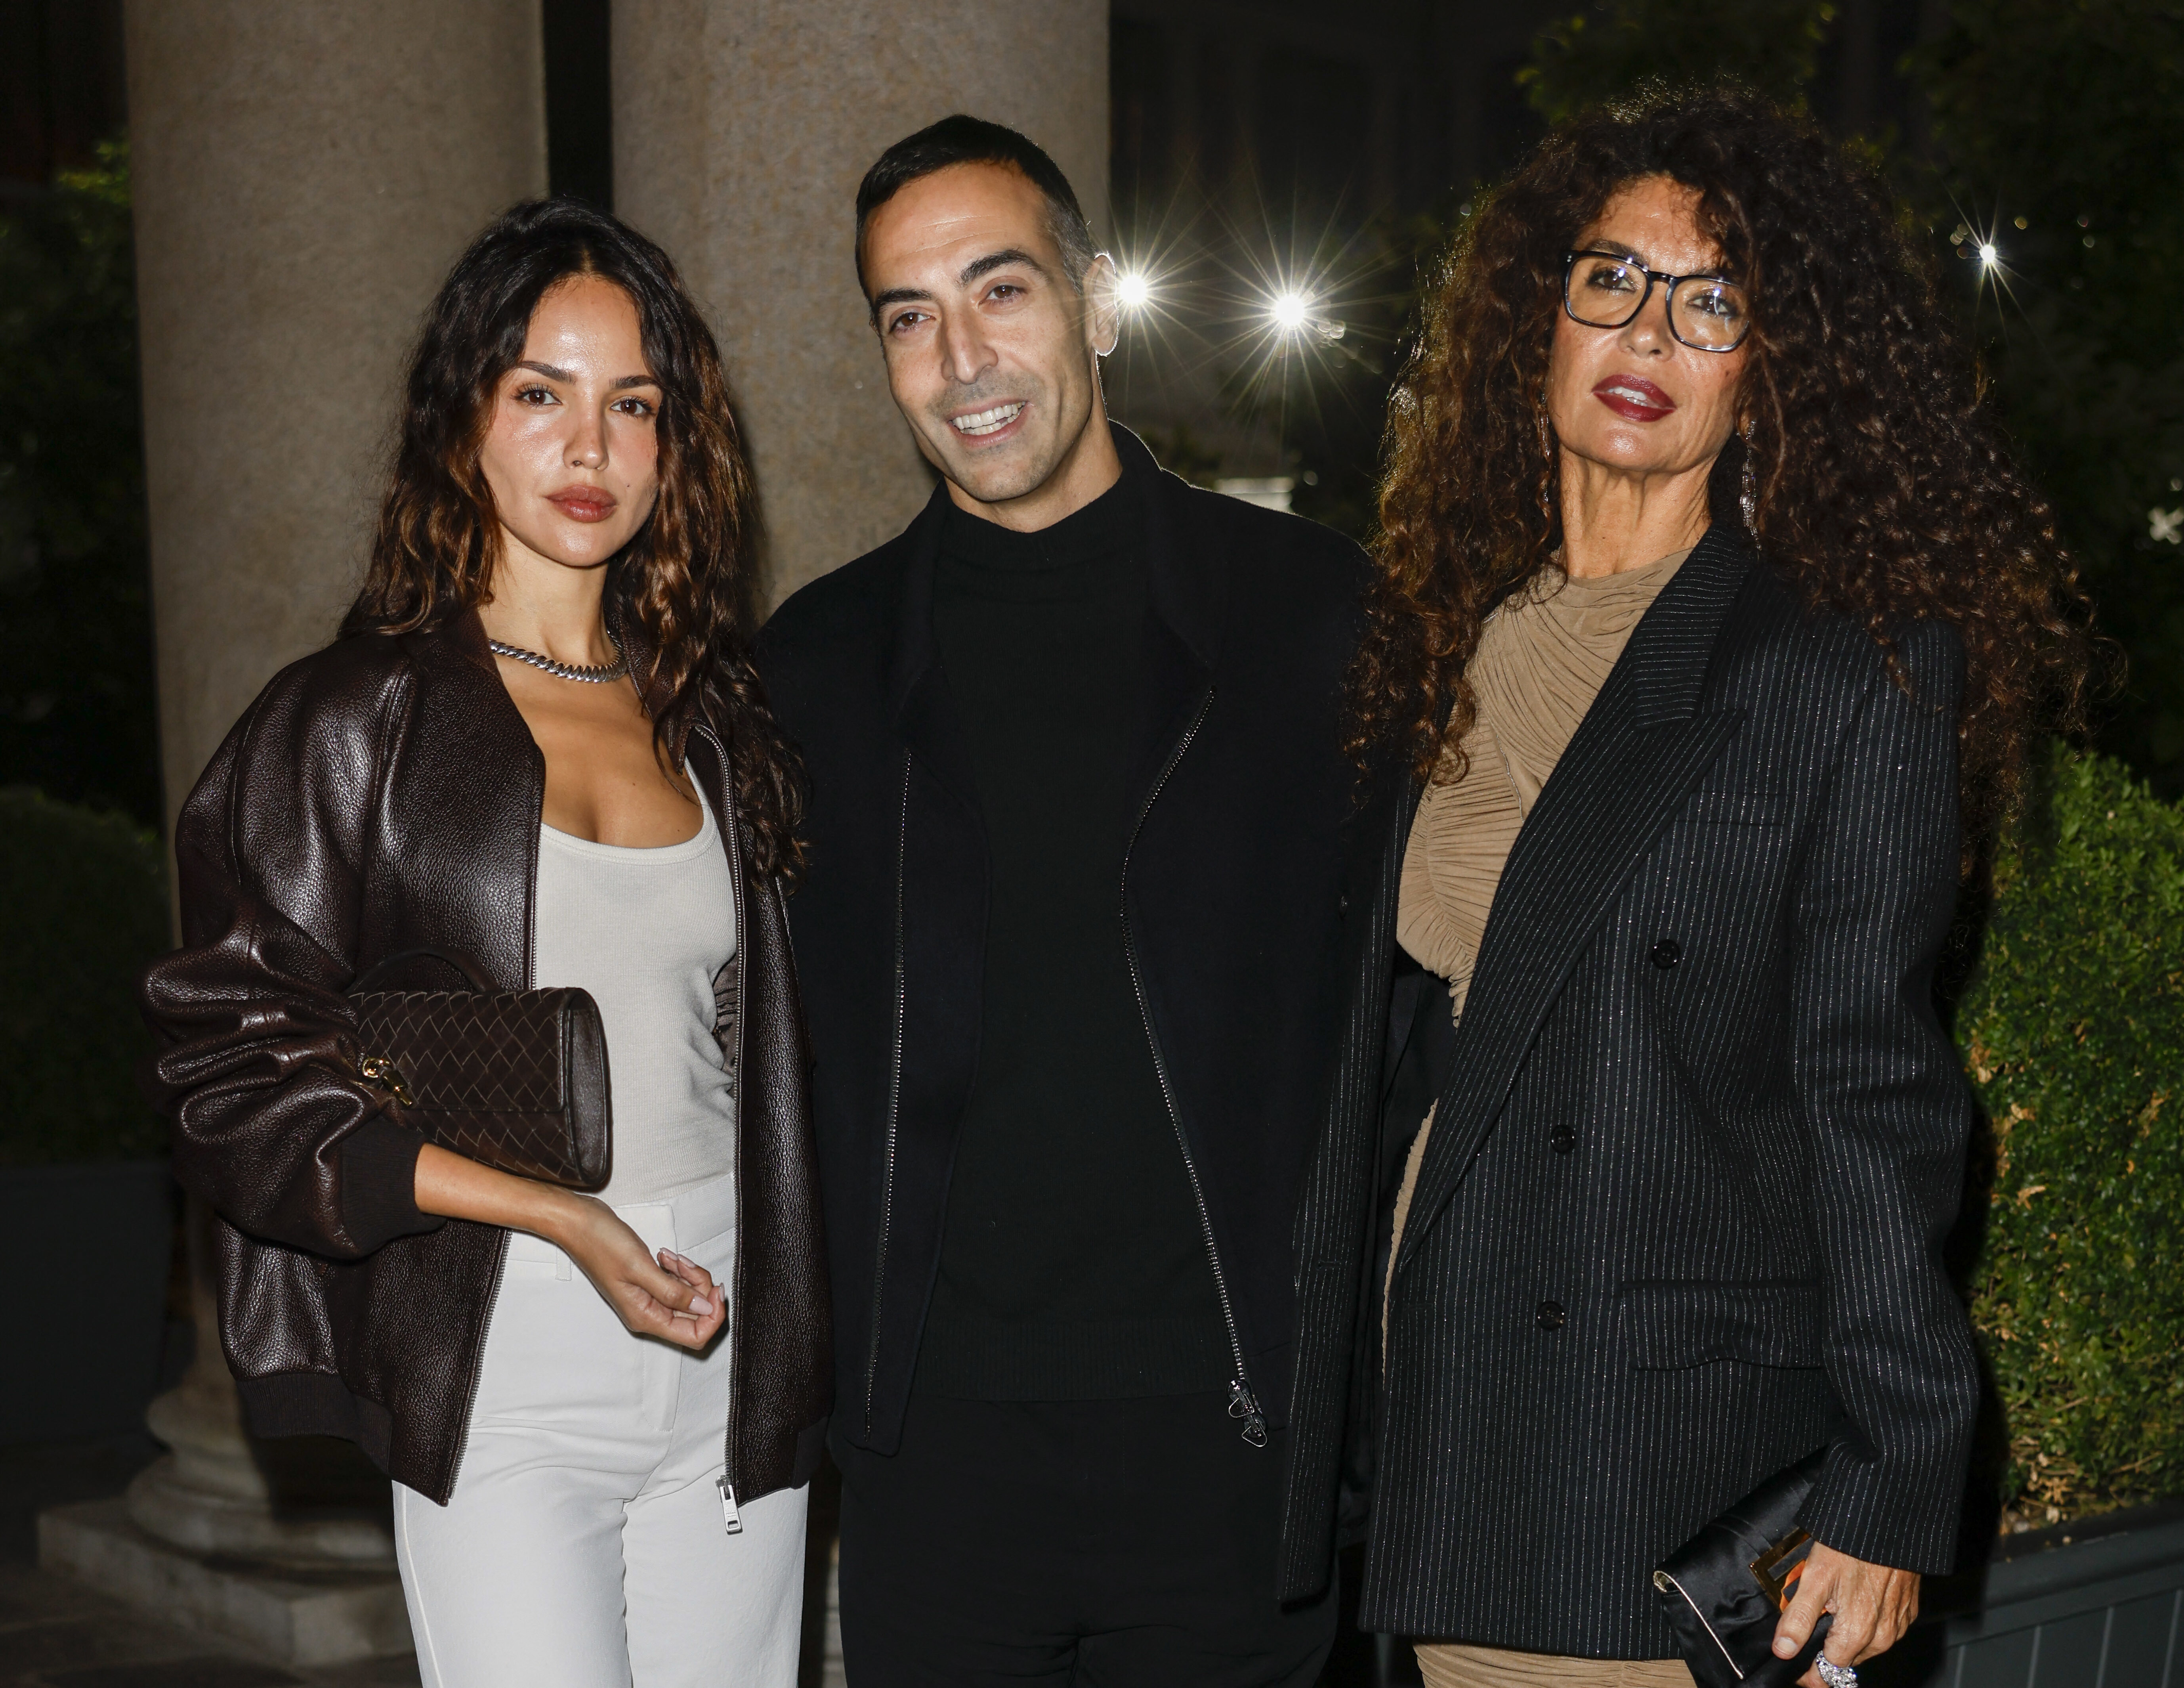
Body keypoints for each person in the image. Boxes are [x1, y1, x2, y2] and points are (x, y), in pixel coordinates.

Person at [1275, 90, 2094, 1687]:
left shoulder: (1837, 667)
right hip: (1440, 1404)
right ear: (1539, 316)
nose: (1648, 329)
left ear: (1767, 370)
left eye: (1713, 302)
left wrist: (1891, 1473)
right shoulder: (1439, 639)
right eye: (1612, 279)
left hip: (1651, 1448)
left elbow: (1874, 1088)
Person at [139, 200, 830, 1688]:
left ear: (675, 444)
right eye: (540, 393)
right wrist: (558, 1214)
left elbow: (755, 1039)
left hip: (731, 1336)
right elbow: (226, 1071)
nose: (591, 447)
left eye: (632, 405)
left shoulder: (715, 717)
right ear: (463, 422)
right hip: (505, 1346)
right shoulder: (350, 720)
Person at [753, 115, 1368, 1686]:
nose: (961, 357)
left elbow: (1406, 1027)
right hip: (933, 1464)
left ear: (1094, 299)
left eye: (1001, 290)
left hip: (1231, 1448)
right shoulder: (813, 668)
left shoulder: (1313, 618)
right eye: (909, 315)